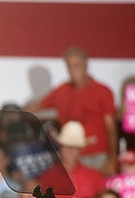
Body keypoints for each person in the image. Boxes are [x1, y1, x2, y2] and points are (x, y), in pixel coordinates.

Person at [25, 47, 119, 175]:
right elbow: (37, 106)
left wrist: (112, 160)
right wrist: (15, 112)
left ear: (86, 65)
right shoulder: (61, 91)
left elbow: (111, 128)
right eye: (69, 67)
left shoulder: (103, 91)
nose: (73, 71)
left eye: (77, 66)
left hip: (98, 157)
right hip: (72, 158)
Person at [38, 121, 107, 198]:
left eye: (74, 147)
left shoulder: (94, 176)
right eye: (66, 146)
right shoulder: (47, 176)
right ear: (60, 148)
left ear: (81, 150)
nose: (70, 151)